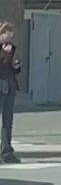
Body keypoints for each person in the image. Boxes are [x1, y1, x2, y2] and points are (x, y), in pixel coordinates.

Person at [0, 22, 22, 164]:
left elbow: (10, 68)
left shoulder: (12, 48)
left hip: (9, 85)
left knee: (8, 120)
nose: (9, 39)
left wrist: (17, 66)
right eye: (7, 36)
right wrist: (6, 55)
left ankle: (6, 151)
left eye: (11, 36)